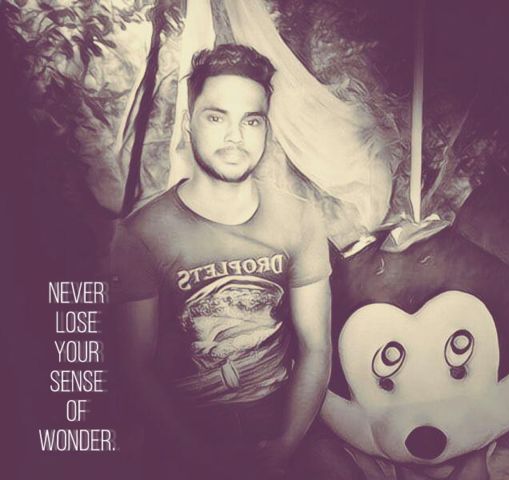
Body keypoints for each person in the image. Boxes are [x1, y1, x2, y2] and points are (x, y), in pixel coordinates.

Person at [110, 44, 335, 479]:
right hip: (184, 446)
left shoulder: (300, 218)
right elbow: (135, 367)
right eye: (216, 118)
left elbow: (316, 347)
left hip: (283, 434)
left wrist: (285, 447)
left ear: (265, 128)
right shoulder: (141, 235)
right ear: (188, 123)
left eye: (251, 121)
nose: (236, 137)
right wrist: (199, 460)